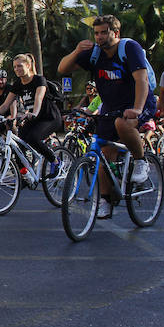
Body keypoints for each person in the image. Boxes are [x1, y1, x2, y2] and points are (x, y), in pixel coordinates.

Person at [58, 15, 156, 218]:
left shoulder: (129, 48)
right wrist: (77, 50)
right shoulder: (95, 54)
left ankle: (140, 161)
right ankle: (105, 200)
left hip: (139, 102)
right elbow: (62, 68)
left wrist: (137, 109)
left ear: (116, 33)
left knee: (123, 124)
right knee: (103, 155)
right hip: (111, 107)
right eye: (96, 33)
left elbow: (142, 80)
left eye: (104, 32)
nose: (99, 37)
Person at [0, 54, 63, 180]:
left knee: (33, 138)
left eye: (20, 66)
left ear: (28, 65)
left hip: (50, 117)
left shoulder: (39, 80)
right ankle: (25, 176)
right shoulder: (18, 84)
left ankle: (55, 161)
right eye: (15, 67)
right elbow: (6, 104)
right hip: (33, 119)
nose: (17, 69)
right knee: (18, 145)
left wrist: (34, 113)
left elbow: (38, 98)